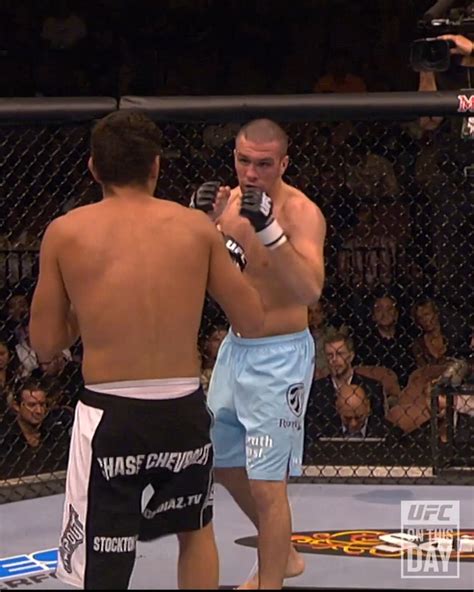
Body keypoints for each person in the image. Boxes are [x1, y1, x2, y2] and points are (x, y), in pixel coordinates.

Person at [28, 110, 267, 590]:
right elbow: (252, 321)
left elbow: (46, 343)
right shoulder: (195, 228)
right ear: (156, 166)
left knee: (103, 551)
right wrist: (223, 253)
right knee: (195, 530)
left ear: (94, 167)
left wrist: (88, 307)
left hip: (110, 416)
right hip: (181, 409)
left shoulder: (66, 232)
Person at [192, 118, 326, 589]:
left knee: (269, 488)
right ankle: (282, 554)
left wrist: (270, 230)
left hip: (281, 358)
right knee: (223, 462)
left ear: (284, 164)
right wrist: (199, 222)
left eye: (264, 164)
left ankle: (271, 583)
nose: (251, 173)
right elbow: (200, 270)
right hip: (235, 349)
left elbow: (310, 290)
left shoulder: (301, 213)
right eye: (243, 161)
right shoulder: (226, 206)